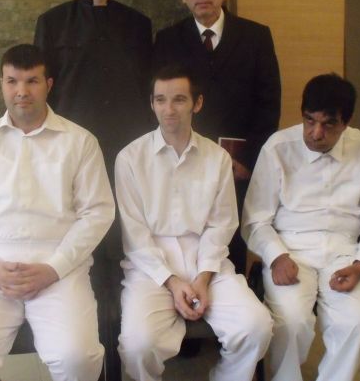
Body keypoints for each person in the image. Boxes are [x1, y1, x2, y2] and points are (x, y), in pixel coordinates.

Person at [0, 44, 115, 381]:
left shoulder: (80, 142)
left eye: (31, 81)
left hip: (58, 272)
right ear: (1, 84)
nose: (21, 91)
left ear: (48, 84)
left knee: (78, 359)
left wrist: (54, 268)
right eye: (12, 81)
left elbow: (97, 213)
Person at [115, 64, 273, 381]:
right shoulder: (130, 158)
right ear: (151, 104)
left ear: (196, 103)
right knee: (137, 345)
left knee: (257, 326)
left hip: (207, 260)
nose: (168, 109)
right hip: (150, 265)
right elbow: (134, 234)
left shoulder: (217, 157)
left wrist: (202, 278)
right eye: (160, 100)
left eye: (179, 99)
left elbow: (221, 225)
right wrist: (173, 282)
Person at [242, 73, 360, 381]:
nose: (315, 133)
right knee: (291, 322)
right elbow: (255, 219)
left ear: (346, 122)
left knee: (358, 322)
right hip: (290, 250)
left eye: (328, 124)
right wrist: (276, 256)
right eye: (309, 120)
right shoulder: (278, 147)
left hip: (346, 253)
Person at [152, 0, 281, 274]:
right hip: (183, 162)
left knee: (229, 246)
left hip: (236, 165)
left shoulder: (256, 37)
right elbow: (161, 103)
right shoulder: (167, 40)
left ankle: (229, 296)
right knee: (185, 240)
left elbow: (268, 104)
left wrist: (247, 159)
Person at [34, 0, 153, 178]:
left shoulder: (139, 24)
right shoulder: (52, 22)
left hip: (128, 142)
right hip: (70, 141)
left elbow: (147, 87)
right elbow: (41, 86)